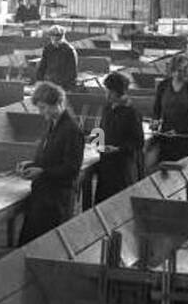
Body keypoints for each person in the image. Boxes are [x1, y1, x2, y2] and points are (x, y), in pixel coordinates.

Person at [17, 82, 85, 245]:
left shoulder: (71, 130)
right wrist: (32, 164)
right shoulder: (54, 123)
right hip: (43, 195)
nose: (41, 112)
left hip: (56, 200)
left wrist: (42, 172)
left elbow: (72, 168)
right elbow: (50, 156)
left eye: (44, 107)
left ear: (59, 104)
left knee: (45, 246)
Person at [94, 72, 144, 203]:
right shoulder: (108, 108)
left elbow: (138, 142)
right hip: (106, 165)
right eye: (107, 91)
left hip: (122, 168)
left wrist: (118, 149)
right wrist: (95, 137)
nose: (107, 95)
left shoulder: (131, 113)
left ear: (120, 92)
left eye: (110, 92)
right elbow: (102, 129)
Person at [151, 54, 188, 161]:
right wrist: (155, 120)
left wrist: (177, 130)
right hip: (166, 131)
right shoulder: (163, 85)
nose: (178, 74)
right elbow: (157, 107)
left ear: (187, 71)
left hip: (185, 133)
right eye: (176, 70)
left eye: (182, 71)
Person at [35, 25, 78, 90]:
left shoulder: (69, 50)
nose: (55, 39)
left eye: (57, 37)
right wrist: (39, 80)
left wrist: (68, 85)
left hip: (63, 85)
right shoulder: (48, 49)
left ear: (62, 37)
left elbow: (72, 71)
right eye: (52, 36)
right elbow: (42, 66)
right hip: (49, 83)